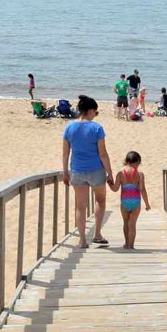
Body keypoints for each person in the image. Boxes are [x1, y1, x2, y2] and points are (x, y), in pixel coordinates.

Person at [62, 95, 113, 248]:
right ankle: (97, 234)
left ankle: (82, 240)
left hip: (77, 170)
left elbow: (65, 154)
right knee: (100, 200)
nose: (95, 115)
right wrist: (110, 173)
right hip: (96, 170)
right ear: (90, 111)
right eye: (95, 112)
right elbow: (103, 154)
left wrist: (65, 172)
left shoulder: (69, 128)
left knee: (80, 206)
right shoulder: (97, 128)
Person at [109, 151, 151, 249]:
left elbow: (115, 189)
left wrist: (109, 183)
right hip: (136, 202)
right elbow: (142, 190)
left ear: (126, 161)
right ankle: (131, 246)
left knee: (125, 223)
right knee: (132, 224)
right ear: (137, 162)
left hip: (124, 202)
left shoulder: (120, 174)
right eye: (138, 164)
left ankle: (127, 243)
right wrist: (147, 204)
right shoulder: (140, 174)